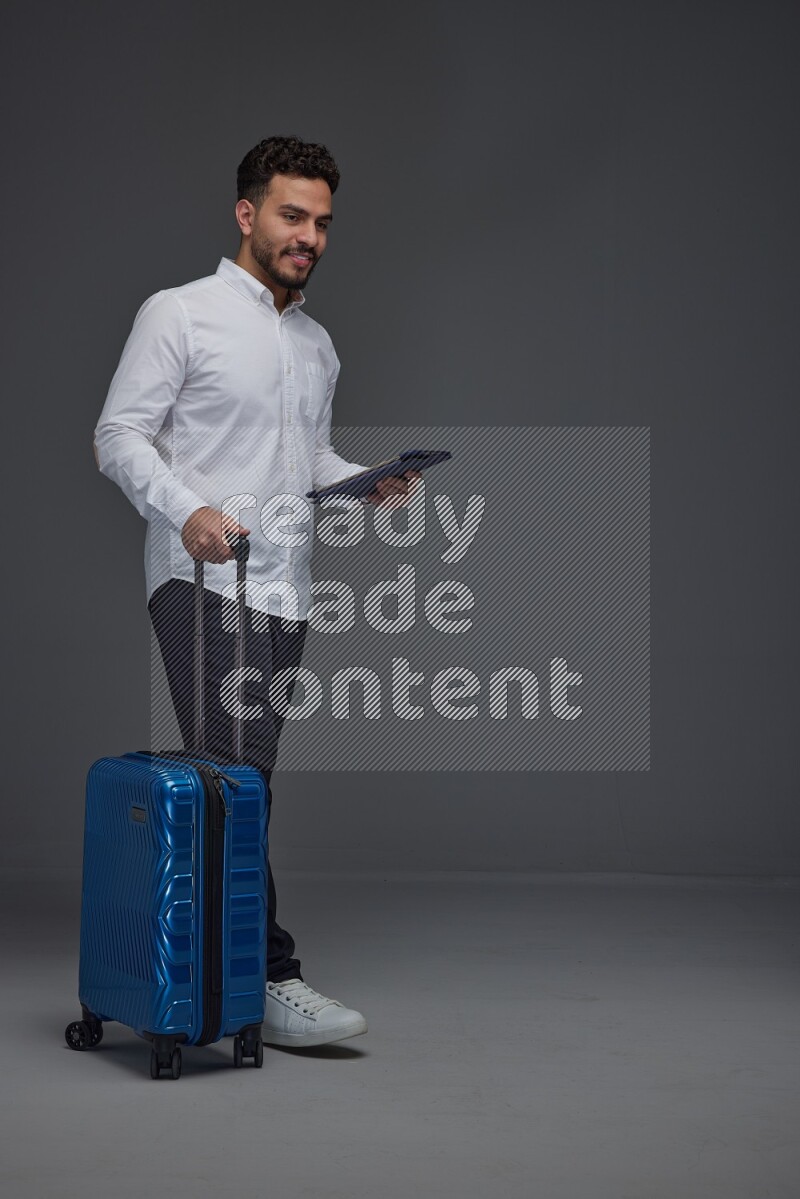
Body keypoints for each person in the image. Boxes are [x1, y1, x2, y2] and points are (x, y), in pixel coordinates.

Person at [93, 134, 417, 1048]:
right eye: (290, 214)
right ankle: (271, 977)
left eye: (320, 221)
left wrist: (363, 480)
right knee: (239, 781)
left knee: (245, 784)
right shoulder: (180, 314)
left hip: (285, 590)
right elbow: (119, 435)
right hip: (201, 578)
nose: (307, 234)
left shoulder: (316, 345)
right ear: (247, 214)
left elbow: (305, 459)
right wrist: (187, 507)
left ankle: (210, 971)